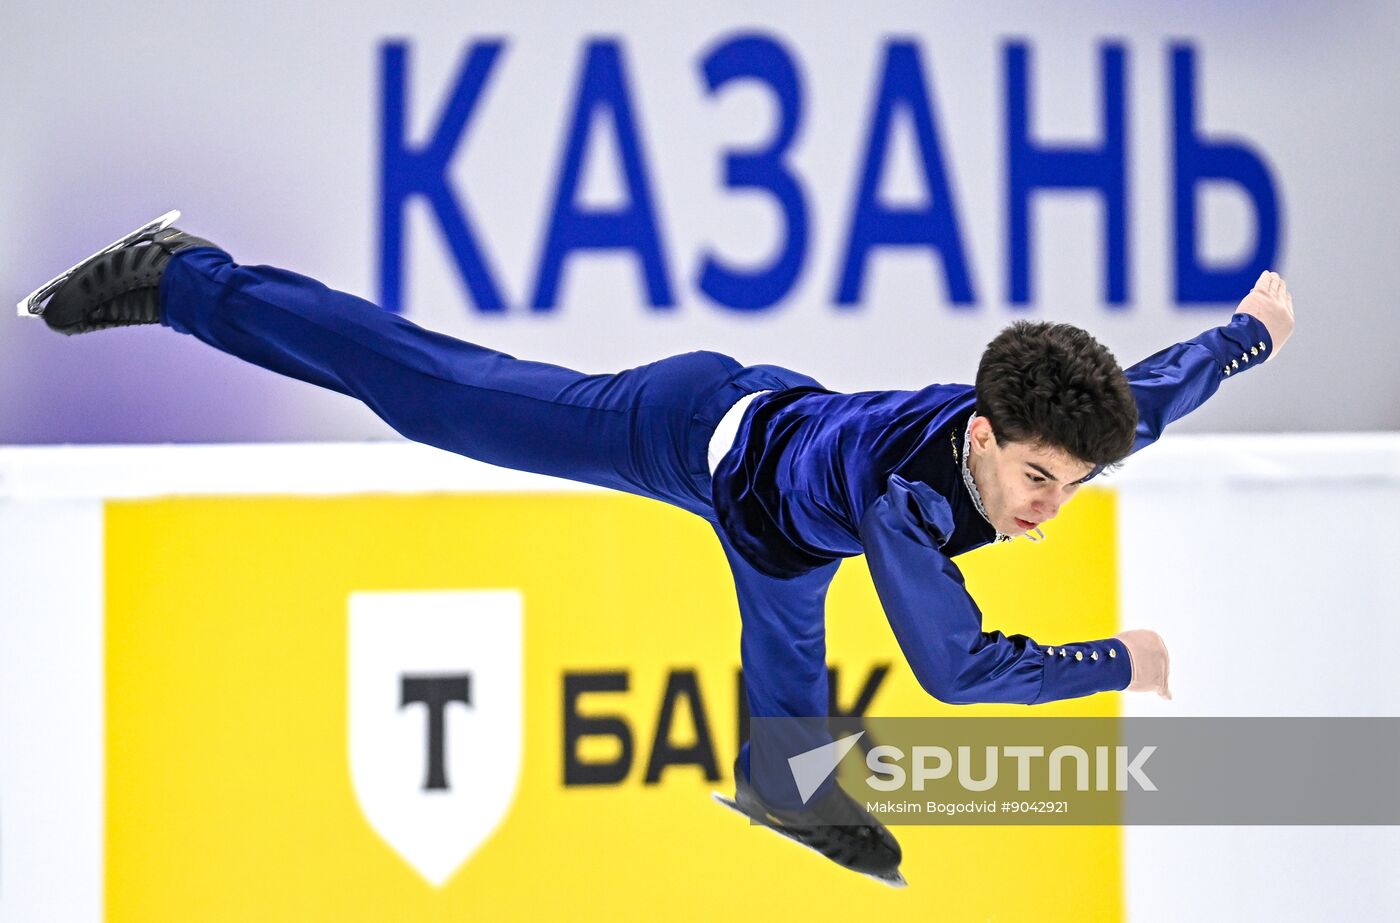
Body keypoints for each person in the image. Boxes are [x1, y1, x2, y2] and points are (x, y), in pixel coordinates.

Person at [26, 220, 1294, 885]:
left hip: (791, 516)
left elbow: (1150, 387)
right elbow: (958, 670)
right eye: (1032, 480)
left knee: (789, 652)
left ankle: (790, 788)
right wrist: (1115, 657)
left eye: (1070, 484)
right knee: (434, 394)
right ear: (981, 432)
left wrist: (1245, 334)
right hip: (691, 431)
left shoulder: (1048, 430)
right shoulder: (915, 511)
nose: (1047, 507)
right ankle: (187, 275)